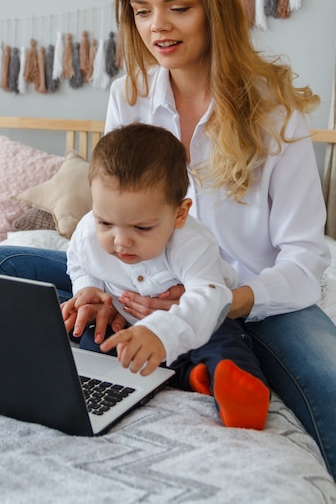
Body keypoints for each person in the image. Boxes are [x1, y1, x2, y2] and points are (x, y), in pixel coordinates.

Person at [0, 0, 336, 479]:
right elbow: (106, 216)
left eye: (178, 7)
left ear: (216, 8)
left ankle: (209, 358)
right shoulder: (129, 94)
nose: (157, 26)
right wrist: (95, 287)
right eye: (141, 10)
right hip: (136, 285)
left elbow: (306, 262)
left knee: (331, 388)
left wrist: (216, 302)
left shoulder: (275, 112)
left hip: (249, 300)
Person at [62, 122, 270, 430]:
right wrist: (87, 288)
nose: (121, 241)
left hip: (199, 319)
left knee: (224, 342)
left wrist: (162, 333)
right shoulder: (87, 231)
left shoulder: (191, 242)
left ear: (179, 214)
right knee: (97, 342)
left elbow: (209, 297)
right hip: (127, 322)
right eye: (105, 223)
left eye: (141, 228)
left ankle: (244, 396)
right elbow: (78, 260)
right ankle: (190, 376)